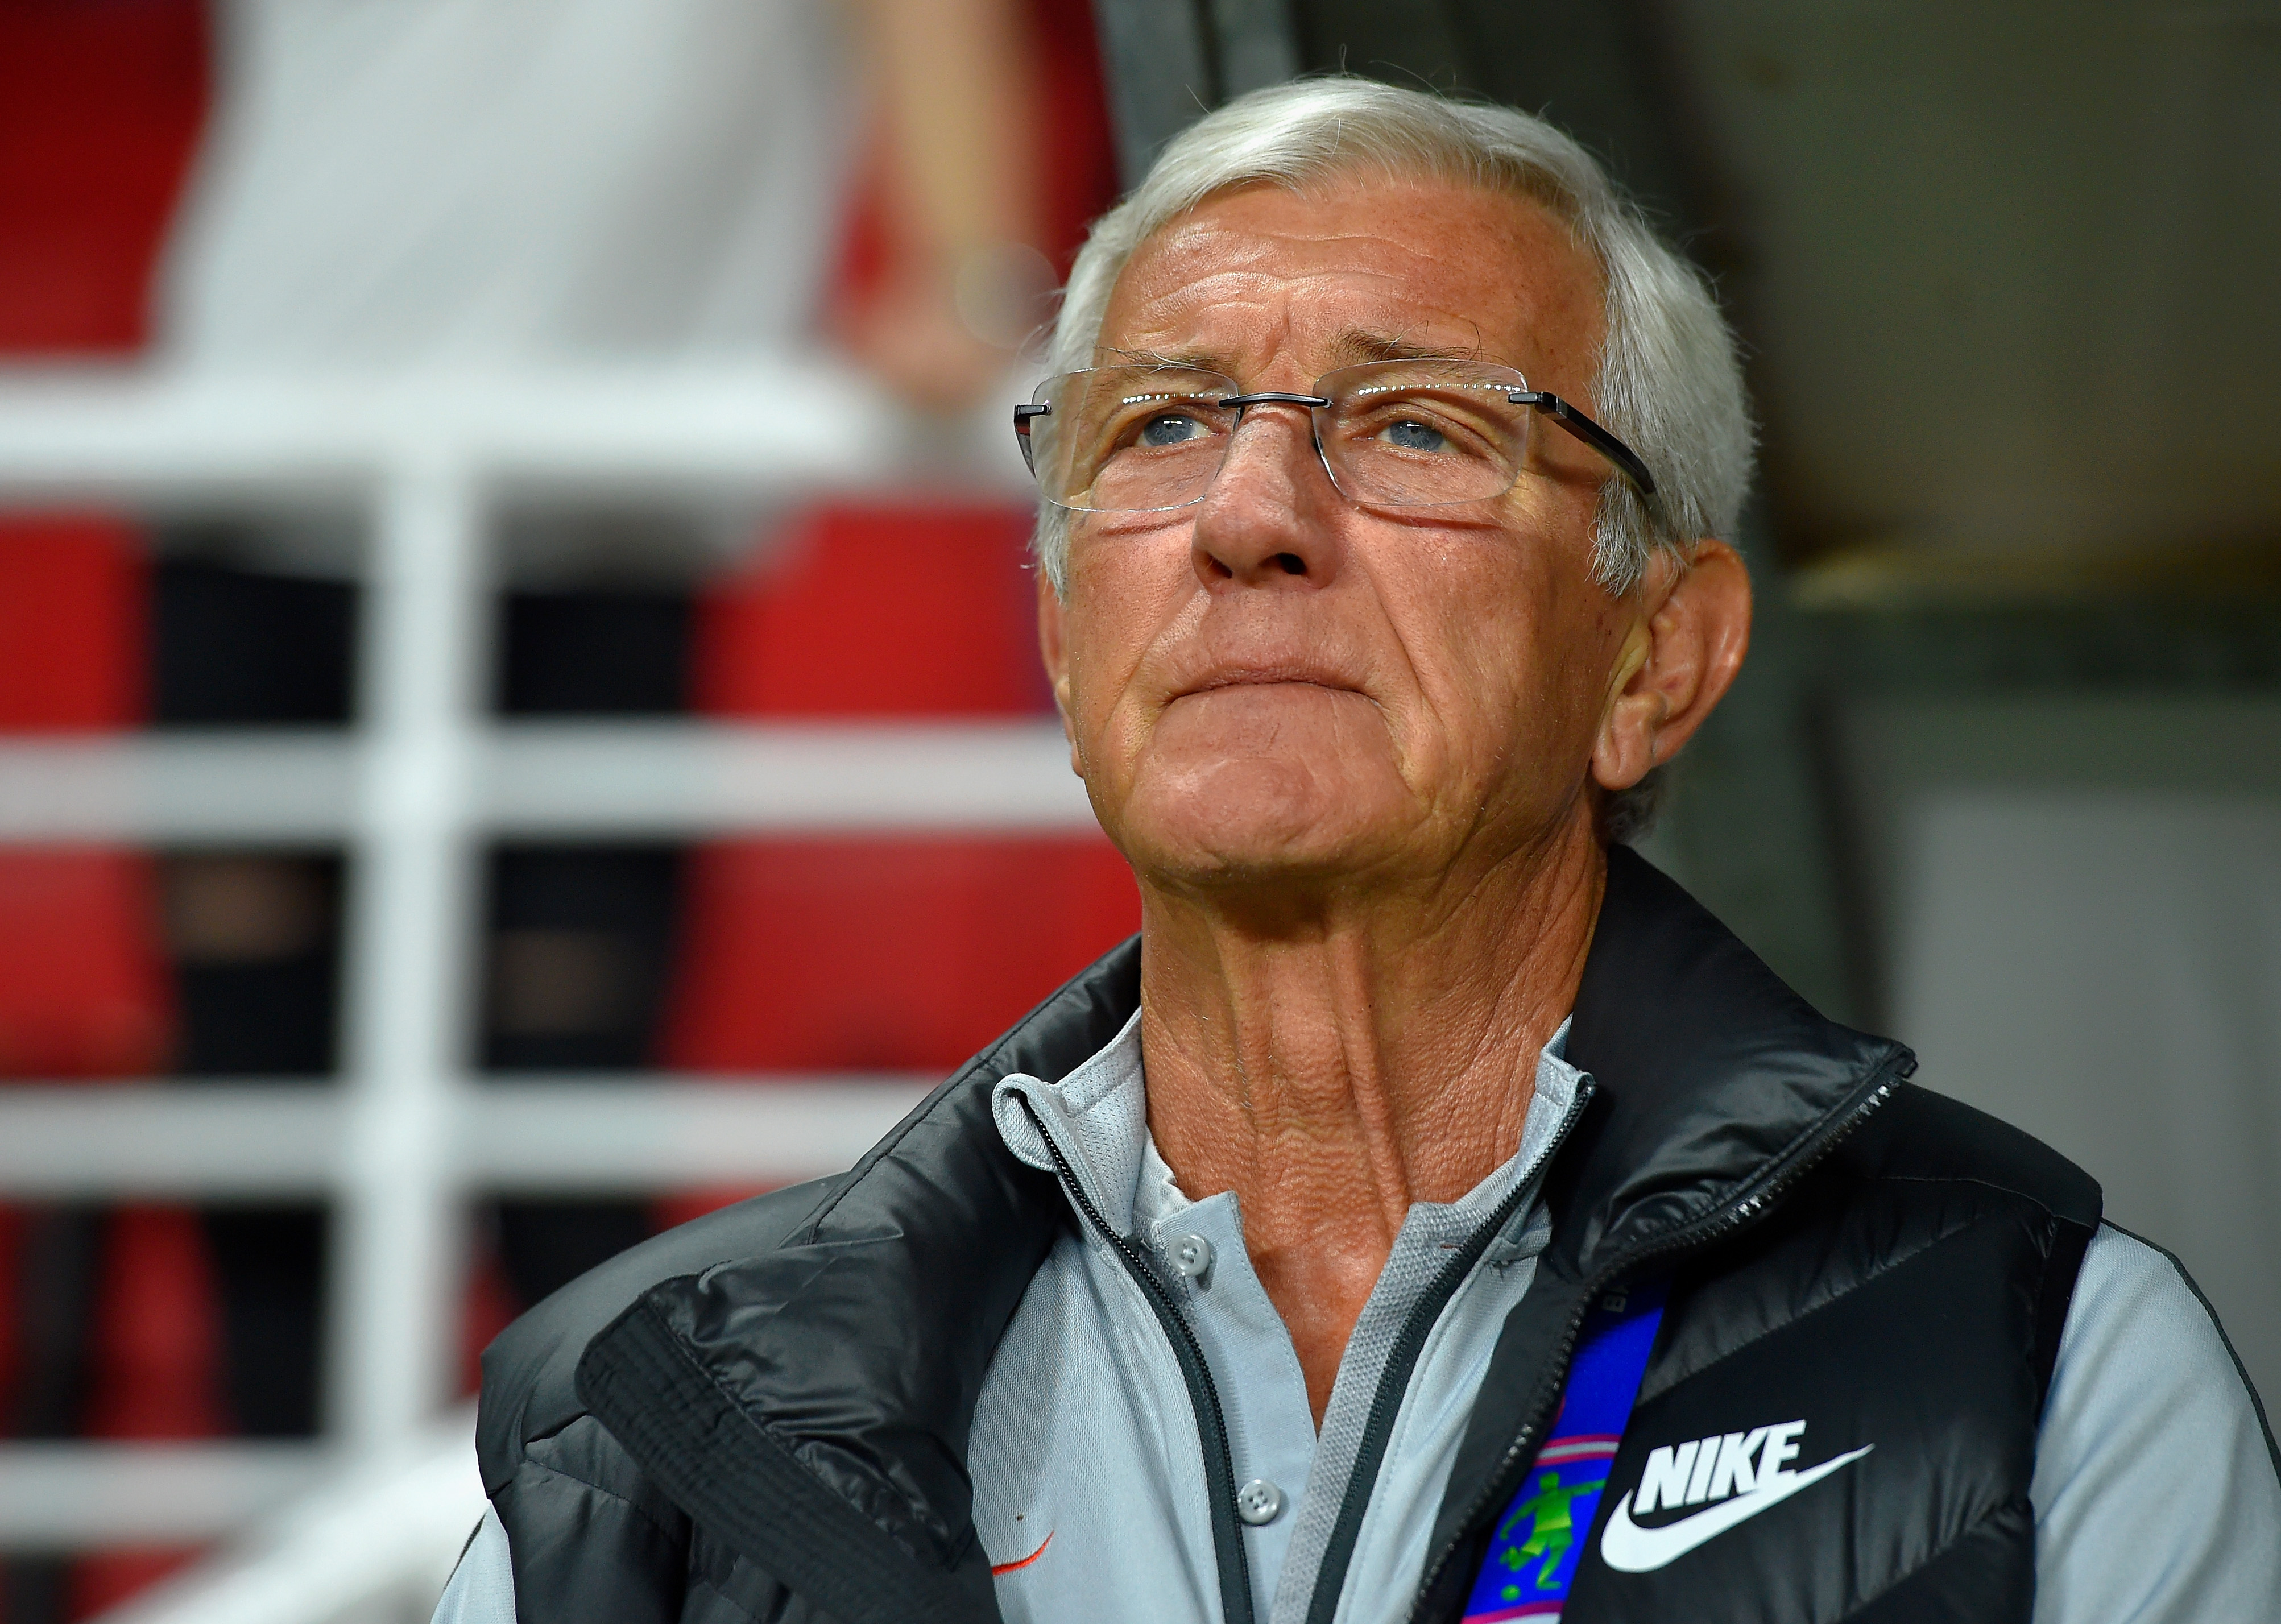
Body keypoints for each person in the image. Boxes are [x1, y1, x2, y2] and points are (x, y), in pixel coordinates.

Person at [437, 77, 2281, 1623]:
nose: (1248, 517)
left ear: (1653, 656)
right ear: (1070, 643)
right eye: (1160, 425)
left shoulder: (2038, 1365)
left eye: (1412, 426)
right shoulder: (634, 1442)